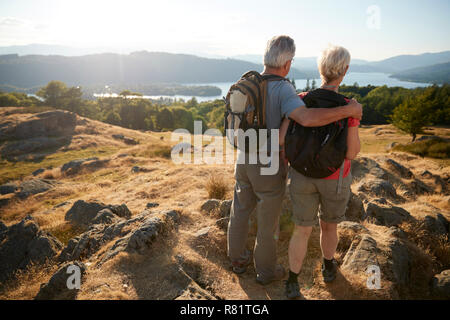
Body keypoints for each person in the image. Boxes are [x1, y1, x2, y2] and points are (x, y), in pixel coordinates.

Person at [227, 36, 363, 286]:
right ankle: (266, 272)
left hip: (243, 158)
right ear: (288, 63)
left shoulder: (247, 82)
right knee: (268, 221)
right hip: (268, 163)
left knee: (240, 211)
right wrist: (348, 111)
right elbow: (307, 118)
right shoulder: (283, 88)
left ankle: (237, 259)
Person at [280, 45, 361, 298]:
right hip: (334, 177)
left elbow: (282, 138)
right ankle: (328, 267)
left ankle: (292, 282)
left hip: (301, 175)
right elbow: (351, 153)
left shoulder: (301, 100)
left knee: (301, 229)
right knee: (329, 227)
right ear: (344, 71)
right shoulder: (349, 107)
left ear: (321, 70)